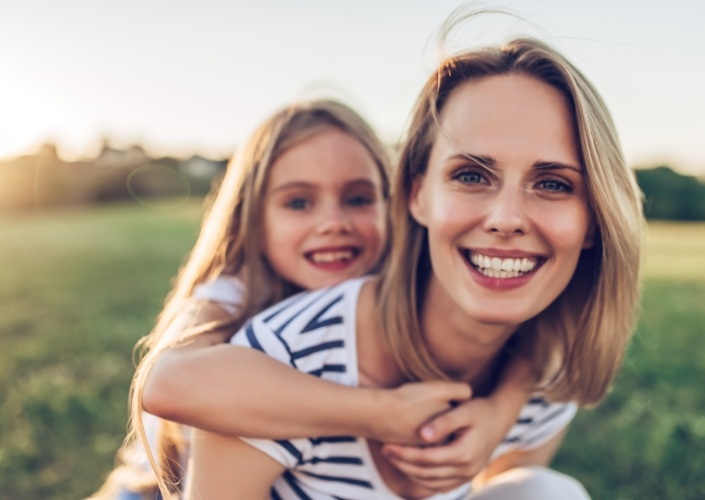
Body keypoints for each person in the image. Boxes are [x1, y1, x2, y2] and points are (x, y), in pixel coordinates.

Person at [182, 32, 644, 500]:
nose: (506, 219)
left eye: (553, 184)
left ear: (594, 221)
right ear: (416, 195)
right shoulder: (275, 357)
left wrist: (506, 405)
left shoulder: (543, 374)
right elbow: (168, 382)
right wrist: (380, 411)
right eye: (470, 175)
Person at [91, 98, 533, 500]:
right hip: (157, 490)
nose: (332, 222)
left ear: (394, 205)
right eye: (299, 203)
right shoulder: (230, 292)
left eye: (358, 199)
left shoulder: (395, 289)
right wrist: (381, 413)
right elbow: (168, 384)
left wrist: (499, 412)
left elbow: (532, 333)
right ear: (254, 218)